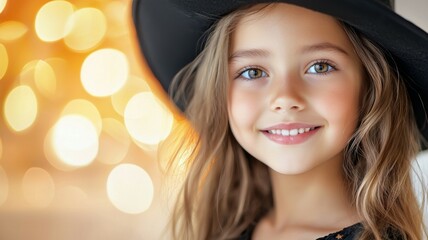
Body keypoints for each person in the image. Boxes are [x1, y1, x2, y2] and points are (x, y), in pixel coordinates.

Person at [132, 0, 428, 239]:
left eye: (320, 66)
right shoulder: (223, 230)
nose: (285, 98)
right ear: (219, 93)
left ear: (370, 87)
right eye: (253, 72)